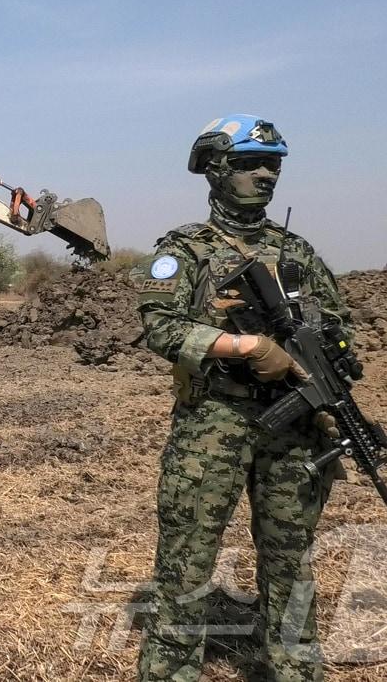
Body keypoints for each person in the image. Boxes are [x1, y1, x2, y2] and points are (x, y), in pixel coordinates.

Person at [133, 115, 352, 681]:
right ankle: (171, 670)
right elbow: (161, 328)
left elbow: (337, 325)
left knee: (290, 561)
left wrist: (325, 361)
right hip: (214, 422)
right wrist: (248, 345)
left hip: (293, 426)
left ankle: (294, 667)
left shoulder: (297, 251)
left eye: (273, 164)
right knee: (187, 560)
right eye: (250, 163)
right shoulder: (185, 250)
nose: (265, 175)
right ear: (215, 170)